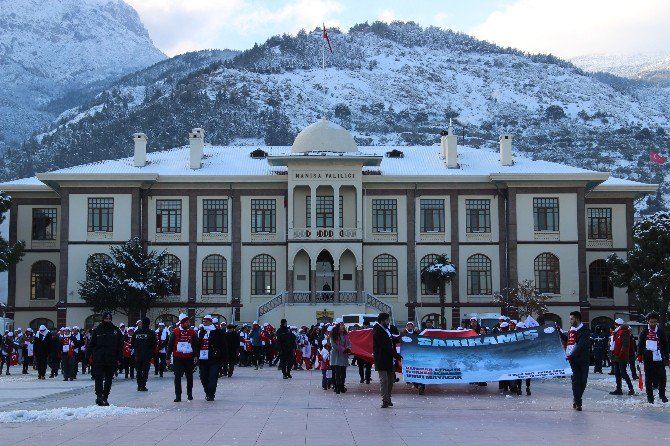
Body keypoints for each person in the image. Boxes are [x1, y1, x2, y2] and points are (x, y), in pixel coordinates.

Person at [87, 312, 123, 406]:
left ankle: (105, 397)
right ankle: (99, 395)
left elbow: (120, 345)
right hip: (99, 358)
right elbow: (92, 344)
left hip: (111, 359)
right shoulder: (97, 330)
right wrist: (87, 356)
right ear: (103, 319)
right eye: (106, 318)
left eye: (109, 318)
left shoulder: (115, 330)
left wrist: (119, 357)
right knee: (98, 378)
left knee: (108, 379)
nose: (107, 320)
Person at [637, 313, 668, 404]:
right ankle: (650, 396)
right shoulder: (644, 331)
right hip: (648, 356)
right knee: (649, 377)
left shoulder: (660, 332)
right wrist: (639, 355)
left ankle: (662, 395)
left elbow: (665, 344)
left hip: (659, 356)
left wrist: (667, 356)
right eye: (651, 322)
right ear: (648, 321)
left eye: (655, 322)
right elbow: (640, 344)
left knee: (662, 376)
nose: (653, 324)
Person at [167, 313, 198, 402]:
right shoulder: (175, 331)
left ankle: (190, 394)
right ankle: (178, 395)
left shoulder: (192, 332)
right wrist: (168, 358)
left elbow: (195, 344)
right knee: (177, 377)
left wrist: (195, 355)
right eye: (187, 322)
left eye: (189, 322)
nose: (188, 324)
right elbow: (170, 345)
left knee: (189, 376)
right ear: (182, 323)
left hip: (189, 357)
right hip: (178, 358)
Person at [373, 312, 402, 408]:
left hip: (389, 359)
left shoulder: (386, 330)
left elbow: (392, 340)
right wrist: (396, 355)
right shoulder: (377, 331)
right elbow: (385, 345)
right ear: (382, 321)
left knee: (390, 380)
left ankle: (388, 397)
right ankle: (385, 399)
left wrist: (402, 338)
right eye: (387, 320)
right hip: (381, 359)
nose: (388, 322)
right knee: (384, 380)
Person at [564, 311, 590, 411]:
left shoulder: (585, 331)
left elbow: (580, 346)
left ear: (577, 319)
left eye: (571, 319)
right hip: (573, 361)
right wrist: (558, 332)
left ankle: (577, 398)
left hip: (583, 360)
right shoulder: (572, 330)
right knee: (575, 382)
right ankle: (578, 402)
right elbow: (567, 340)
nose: (570, 321)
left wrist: (571, 355)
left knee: (583, 382)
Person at [197, 315, 225, 401]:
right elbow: (198, 345)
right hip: (202, 359)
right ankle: (207, 392)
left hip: (214, 359)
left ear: (210, 322)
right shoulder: (201, 332)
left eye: (206, 321)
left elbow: (223, 345)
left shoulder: (217, 332)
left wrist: (223, 358)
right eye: (203, 321)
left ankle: (211, 394)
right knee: (203, 377)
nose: (204, 323)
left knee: (213, 378)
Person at [609, 318, 635, 396]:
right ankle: (619, 389)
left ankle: (631, 389)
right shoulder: (616, 332)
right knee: (617, 373)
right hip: (616, 355)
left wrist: (621, 353)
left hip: (621, 356)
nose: (615, 325)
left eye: (615, 324)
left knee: (623, 373)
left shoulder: (624, 332)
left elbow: (625, 344)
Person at [132, 317, 157, 392]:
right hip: (147, 354)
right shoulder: (151, 333)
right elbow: (154, 343)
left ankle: (139, 385)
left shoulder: (136, 332)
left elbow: (132, 343)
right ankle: (143, 385)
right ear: (149, 324)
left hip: (138, 354)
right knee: (145, 370)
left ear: (142, 323)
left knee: (139, 370)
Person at [330, 323, 351, 394]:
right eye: (341, 325)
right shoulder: (333, 335)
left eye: (343, 325)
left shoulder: (345, 335)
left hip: (344, 355)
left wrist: (348, 348)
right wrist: (342, 349)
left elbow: (349, 343)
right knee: (337, 373)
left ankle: (342, 386)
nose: (343, 327)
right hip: (336, 355)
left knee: (343, 373)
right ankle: (337, 387)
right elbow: (333, 345)